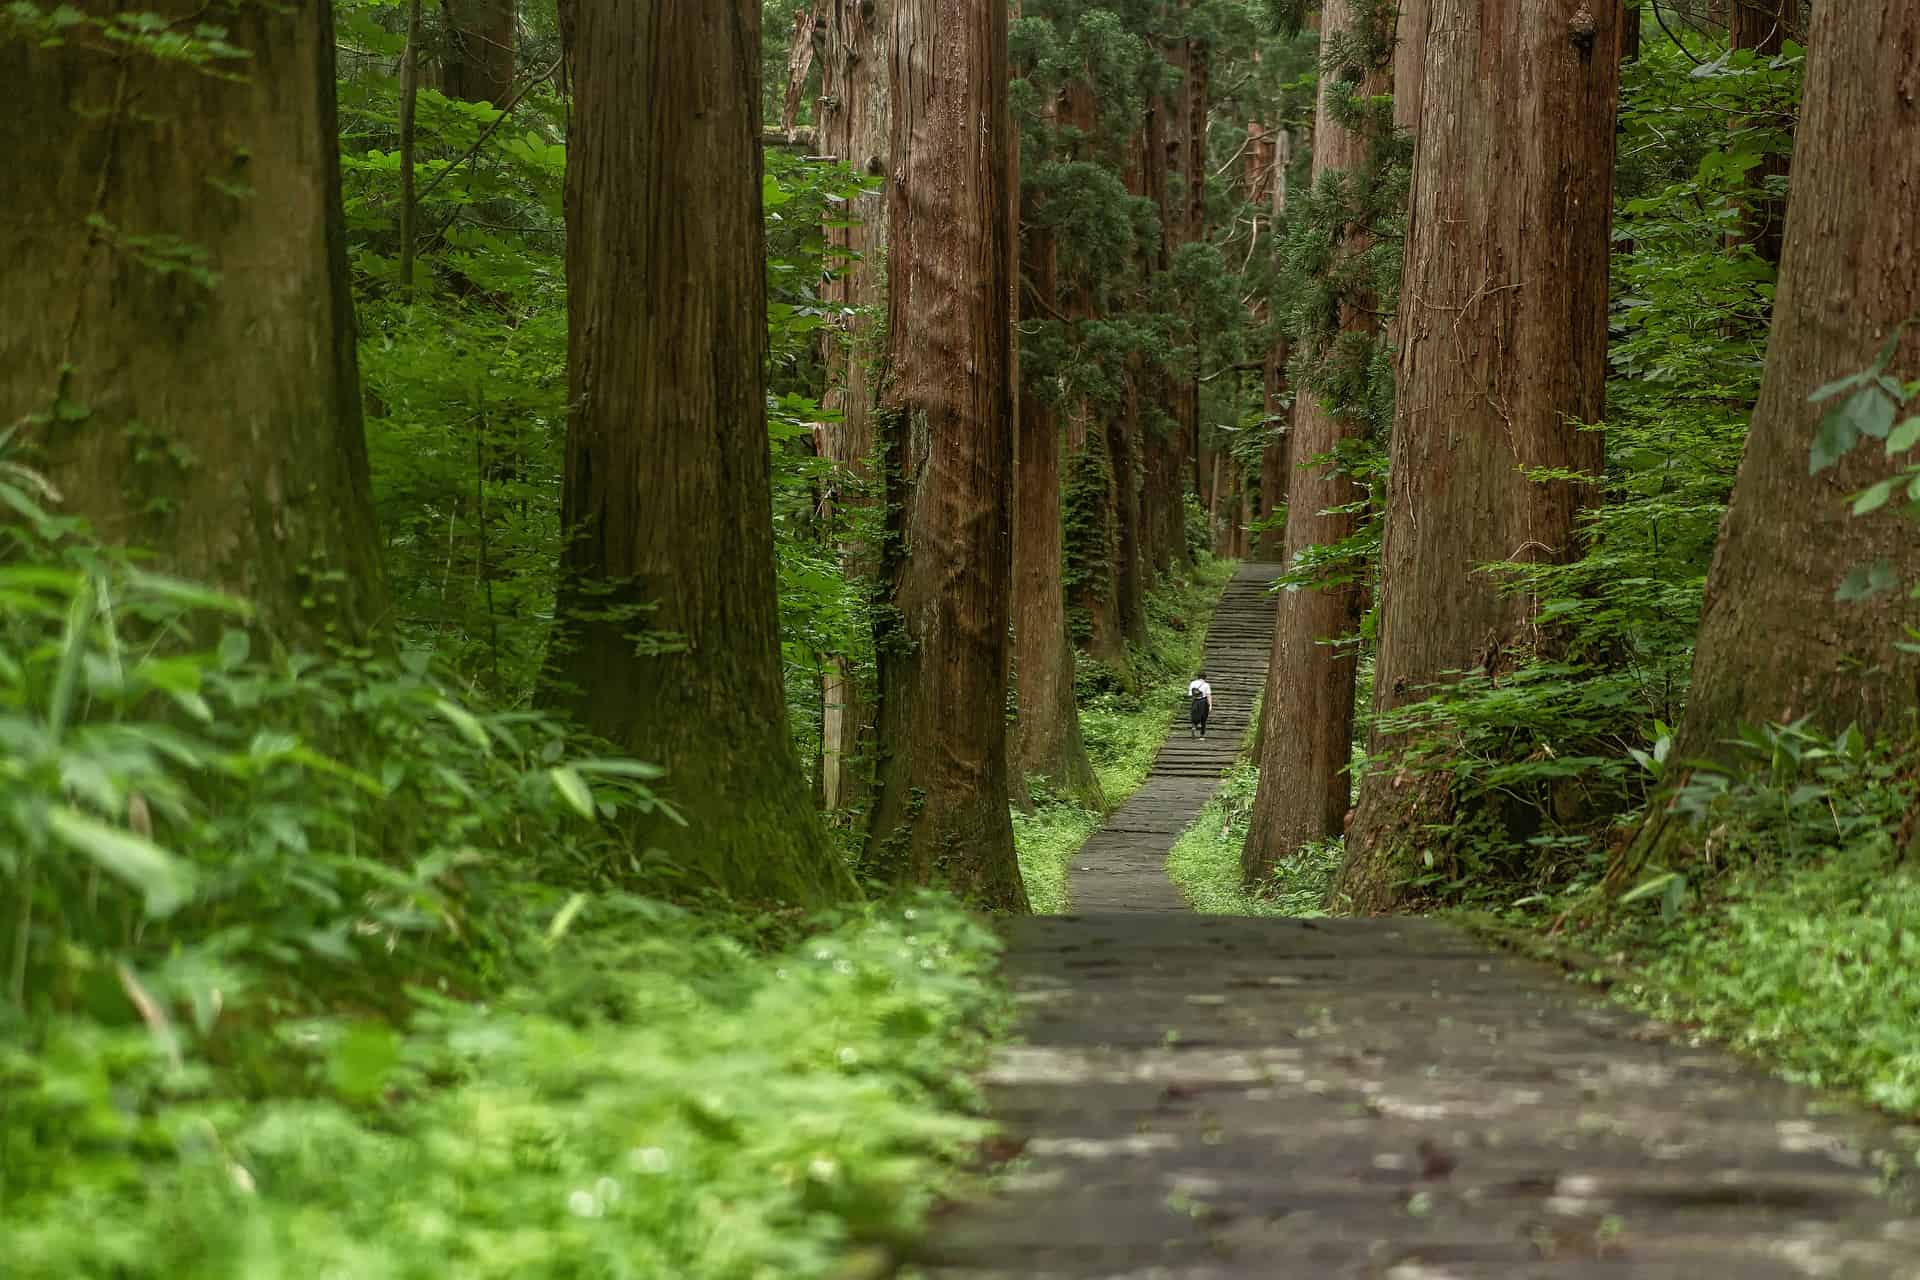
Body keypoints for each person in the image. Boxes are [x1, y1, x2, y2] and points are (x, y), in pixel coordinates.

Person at [1187, 670, 1212, 739]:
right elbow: (1208, 695)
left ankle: (1194, 727)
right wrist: (1210, 705)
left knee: (1194, 716)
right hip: (1203, 702)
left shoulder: (1192, 683)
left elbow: (1190, 694)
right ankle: (1202, 735)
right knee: (1203, 718)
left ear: (1198, 677)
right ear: (1205, 677)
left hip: (1195, 701)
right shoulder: (1206, 684)